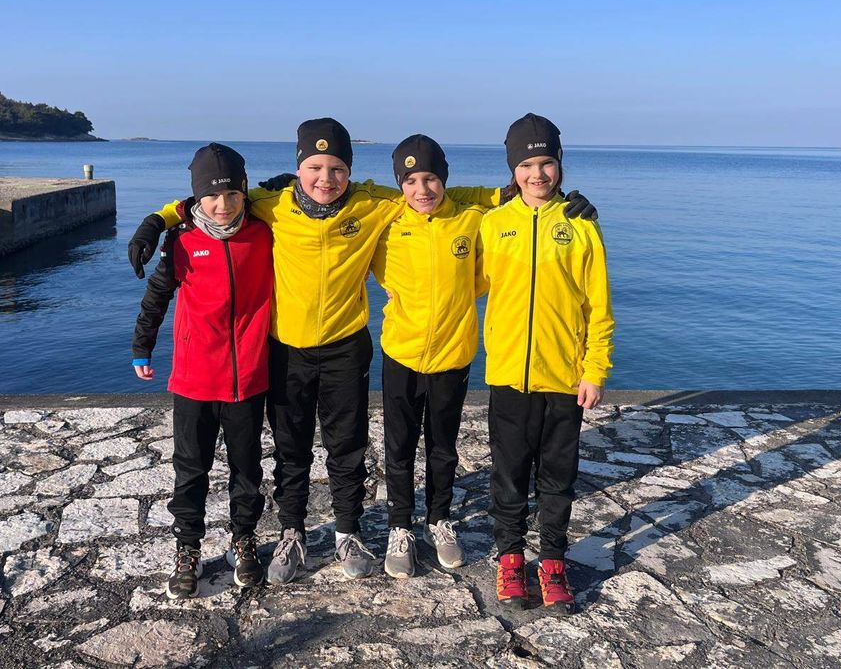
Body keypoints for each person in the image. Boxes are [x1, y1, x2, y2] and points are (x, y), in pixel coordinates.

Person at [127, 119, 599, 584]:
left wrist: (561, 200)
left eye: (337, 168)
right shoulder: (269, 205)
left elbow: (478, 195)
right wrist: (158, 220)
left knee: (348, 448)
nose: (326, 178)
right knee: (291, 450)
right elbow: (210, 198)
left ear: (349, 171)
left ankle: (348, 531)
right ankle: (292, 532)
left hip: (348, 348)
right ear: (299, 168)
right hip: (286, 349)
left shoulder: (376, 204)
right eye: (315, 168)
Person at [479, 113, 614, 612]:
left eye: (546, 164)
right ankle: (510, 557)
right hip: (508, 375)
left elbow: (599, 306)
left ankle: (553, 560)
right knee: (509, 475)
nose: (537, 174)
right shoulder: (493, 224)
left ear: (560, 164)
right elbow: (464, 279)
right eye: (526, 165)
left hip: (564, 376)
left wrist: (594, 370)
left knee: (557, 478)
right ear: (513, 169)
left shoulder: (581, 225)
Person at [132, 143, 273, 599]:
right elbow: (157, 297)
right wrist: (142, 348)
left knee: (247, 468)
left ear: (244, 191)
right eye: (211, 195)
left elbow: (293, 193)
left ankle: (243, 539)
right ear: (197, 197)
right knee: (191, 469)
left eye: (232, 194)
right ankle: (187, 547)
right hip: (194, 378)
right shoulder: (182, 240)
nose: (223, 204)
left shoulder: (265, 231)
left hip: (249, 376)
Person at [370, 135, 488, 578]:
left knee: (443, 447)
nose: (422, 189)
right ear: (400, 184)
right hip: (401, 351)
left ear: (444, 179)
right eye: (411, 181)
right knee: (399, 446)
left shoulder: (471, 219)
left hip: (453, 354)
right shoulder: (388, 220)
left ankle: (439, 519)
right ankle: (400, 525)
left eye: (431, 178)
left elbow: (481, 278)